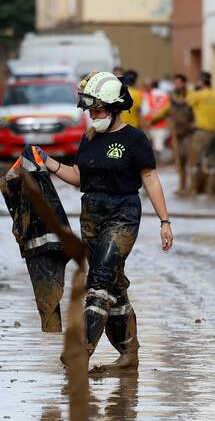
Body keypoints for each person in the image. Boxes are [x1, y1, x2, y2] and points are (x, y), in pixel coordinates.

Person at [33, 71, 174, 376]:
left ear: (114, 108)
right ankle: (128, 355)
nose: (92, 116)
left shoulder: (134, 139)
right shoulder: (89, 138)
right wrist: (50, 163)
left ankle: (80, 351)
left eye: (97, 110)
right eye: (90, 110)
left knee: (98, 282)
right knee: (114, 285)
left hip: (123, 213)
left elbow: (149, 178)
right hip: (91, 215)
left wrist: (165, 221)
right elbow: (80, 177)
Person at [185, 72, 215, 195]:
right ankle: (211, 191)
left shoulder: (197, 95)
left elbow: (186, 104)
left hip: (201, 132)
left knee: (194, 161)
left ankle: (193, 189)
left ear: (201, 82)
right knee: (212, 162)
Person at [142, 78, 171, 156]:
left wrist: (146, 122)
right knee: (159, 146)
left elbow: (145, 111)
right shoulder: (165, 95)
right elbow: (168, 109)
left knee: (149, 146)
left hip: (149, 124)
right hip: (163, 124)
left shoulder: (147, 95)